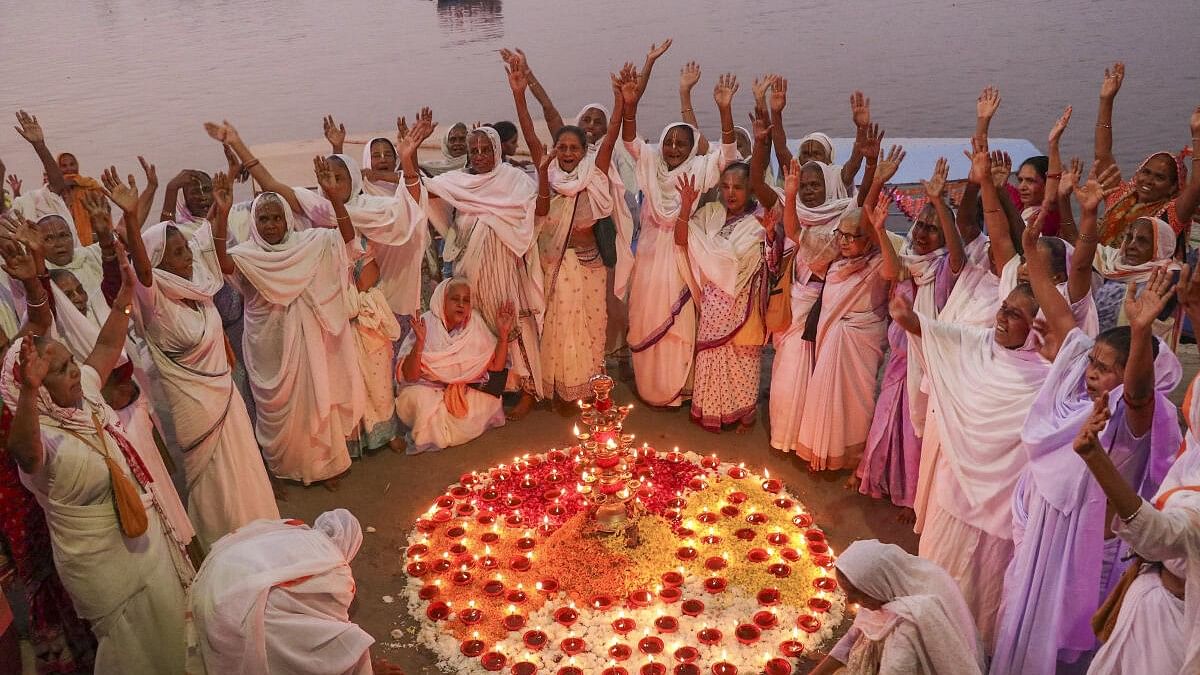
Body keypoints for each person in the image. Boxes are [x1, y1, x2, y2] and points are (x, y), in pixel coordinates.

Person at [3, 248, 196, 674]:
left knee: (171, 633)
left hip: (145, 545)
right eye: (60, 371)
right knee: (130, 652)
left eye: (71, 362)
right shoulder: (43, 441)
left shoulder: (87, 394)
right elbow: (24, 452)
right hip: (102, 569)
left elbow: (109, 342)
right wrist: (32, 392)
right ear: (33, 385)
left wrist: (125, 295)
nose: (75, 371)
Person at [990, 260, 1181, 675]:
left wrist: (1142, 331)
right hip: (1041, 531)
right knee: (1021, 618)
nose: (1090, 373)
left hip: (1083, 553)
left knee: (1063, 645)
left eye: (1104, 368)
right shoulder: (1074, 397)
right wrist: (1030, 253)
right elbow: (1059, 316)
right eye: (1092, 362)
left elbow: (1138, 393)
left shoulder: (1132, 420)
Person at [889, 216, 1057, 649]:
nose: (1002, 318)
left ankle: (962, 651)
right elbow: (942, 334)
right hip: (954, 491)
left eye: (1016, 316)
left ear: (1038, 328)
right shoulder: (981, 344)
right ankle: (918, 639)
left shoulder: (1050, 380)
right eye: (1004, 309)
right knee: (935, 569)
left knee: (979, 593)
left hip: (998, 511)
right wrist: (910, 321)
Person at [119, 169, 280, 551]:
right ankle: (225, 542)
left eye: (185, 249)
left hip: (226, 396)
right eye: (176, 252)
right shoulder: (154, 301)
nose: (186, 256)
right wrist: (129, 216)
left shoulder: (200, 286)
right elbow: (142, 272)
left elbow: (209, 246)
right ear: (158, 259)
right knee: (212, 480)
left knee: (244, 465)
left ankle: (260, 527)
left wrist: (221, 213)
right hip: (195, 408)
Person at [202, 126, 366, 486]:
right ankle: (285, 466)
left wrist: (337, 200)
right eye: (264, 219)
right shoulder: (248, 254)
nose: (273, 224)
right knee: (276, 408)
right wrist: (222, 215)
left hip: (308, 338)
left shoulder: (311, 242)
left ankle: (323, 466)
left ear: (287, 219)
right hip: (268, 345)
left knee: (313, 398)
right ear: (256, 224)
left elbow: (348, 242)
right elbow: (224, 267)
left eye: (277, 217)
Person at [0, 221, 96, 672]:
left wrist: (31, 279)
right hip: (12, 503)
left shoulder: (10, 365)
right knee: (38, 591)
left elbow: (39, 322)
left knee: (70, 578)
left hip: (39, 487)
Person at [403, 112, 544, 420]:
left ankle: (528, 391)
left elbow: (532, 219)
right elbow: (420, 191)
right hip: (469, 275)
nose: (480, 156)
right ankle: (492, 389)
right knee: (478, 332)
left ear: (497, 150)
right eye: (474, 150)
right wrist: (409, 154)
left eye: (486, 149)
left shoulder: (515, 181)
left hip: (504, 270)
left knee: (512, 328)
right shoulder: (460, 182)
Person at [617, 61, 739, 408]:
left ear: (690, 149)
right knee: (644, 315)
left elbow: (726, 155)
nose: (672, 148)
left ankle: (678, 389)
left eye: (681, 143)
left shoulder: (699, 170)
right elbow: (630, 140)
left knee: (681, 323)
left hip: (680, 254)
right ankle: (650, 388)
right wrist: (630, 103)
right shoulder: (652, 166)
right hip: (650, 254)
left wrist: (724, 109)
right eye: (669, 142)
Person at [1073, 339, 1200, 674]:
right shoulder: (1194, 458)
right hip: (1145, 599)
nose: (1091, 374)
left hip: (1170, 625)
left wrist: (1094, 456)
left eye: (1105, 367)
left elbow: (1158, 537)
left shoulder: (1143, 417)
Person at [511, 61, 622, 404]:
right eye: (563, 148)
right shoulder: (549, 173)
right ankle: (558, 386)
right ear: (555, 150)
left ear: (585, 150)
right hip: (554, 263)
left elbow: (613, 134)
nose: (569, 153)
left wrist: (622, 101)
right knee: (555, 325)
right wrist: (518, 94)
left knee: (591, 326)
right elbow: (531, 132)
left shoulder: (594, 171)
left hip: (590, 263)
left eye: (575, 148)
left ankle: (591, 387)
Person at [858, 157, 964, 509]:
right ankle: (878, 478)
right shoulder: (909, 259)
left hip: (927, 367)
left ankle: (909, 498)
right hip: (899, 363)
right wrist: (879, 227)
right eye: (920, 225)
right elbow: (893, 272)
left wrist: (938, 204)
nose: (921, 234)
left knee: (913, 431)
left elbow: (955, 256)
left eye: (932, 229)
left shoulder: (946, 270)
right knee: (887, 420)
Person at [191, 509, 405, 675]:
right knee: (342, 641)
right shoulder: (337, 568)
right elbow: (330, 619)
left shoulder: (294, 529)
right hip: (245, 607)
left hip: (215, 587)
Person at [793, 147, 901, 472]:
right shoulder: (836, 264)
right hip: (831, 343)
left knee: (857, 403)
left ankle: (854, 461)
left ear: (868, 240)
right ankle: (820, 453)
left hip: (861, 344)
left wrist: (878, 223)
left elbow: (894, 273)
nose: (844, 241)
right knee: (823, 395)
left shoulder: (877, 264)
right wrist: (877, 176)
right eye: (841, 234)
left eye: (852, 237)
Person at [675, 160, 767, 432]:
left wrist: (771, 233)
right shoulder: (711, 213)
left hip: (744, 299)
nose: (731, 193)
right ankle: (713, 410)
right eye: (725, 186)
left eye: (738, 187)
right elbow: (682, 239)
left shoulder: (758, 219)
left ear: (751, 189)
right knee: (713, 355)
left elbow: (769, 257)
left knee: (743, 357)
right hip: (713, 299)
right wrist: (685, 206)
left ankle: (744, 413)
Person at [810, 539, 984, 674]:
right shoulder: (891, 582)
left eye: (856, 595)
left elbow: (896, 669)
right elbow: (854, 635)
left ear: (877, 585)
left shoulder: (910, 622)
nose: (850, 603)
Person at [396, 278, 511, 453]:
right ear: (443, 300)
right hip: (427, 388)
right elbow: (410, 376)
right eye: (455, 299)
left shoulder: (474, 324)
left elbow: (496, 368)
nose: (461, 305)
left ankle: (444, 428)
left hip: (462, 388)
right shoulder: (427, 323)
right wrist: (419, 343)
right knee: (421, 401)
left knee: (490, 400)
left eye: (466, 300)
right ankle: (438, 430)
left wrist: (503, 336)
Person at [1093, 64, 1200, 245]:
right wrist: (1106, 100)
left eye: (1160, 177)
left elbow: (1196, 185)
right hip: (1100, 269)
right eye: (1146, 172)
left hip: (1145, 274)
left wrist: (1197, 135)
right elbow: (1103, 155)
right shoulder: (1119, 197)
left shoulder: (1171, 213)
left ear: (1173, 187)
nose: (1148, 180)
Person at [765, 77, 871, 195]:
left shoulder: (838, 178)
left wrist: (862, 129)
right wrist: (775, 113)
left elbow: (855, 162)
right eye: (805, 154)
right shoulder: (796, 175)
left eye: (816, 154)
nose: (810, 159)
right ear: (799, 158)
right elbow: (780, 148)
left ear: (828, 158)